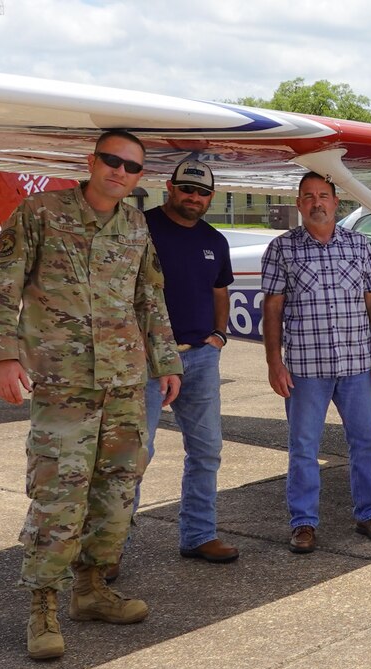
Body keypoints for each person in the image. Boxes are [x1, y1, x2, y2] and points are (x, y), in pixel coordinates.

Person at [0, 130, 183, 660]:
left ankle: (91, 590)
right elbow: (4, 283)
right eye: (112, 160)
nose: (120, 171)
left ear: (140, 177)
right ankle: (43, 606)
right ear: (91, 161)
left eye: (132, 167)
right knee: (58, 494)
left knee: (116, 492)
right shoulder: (41, 213)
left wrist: (167, 364)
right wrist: (2, 354)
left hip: (124, 383)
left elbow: (149, 298)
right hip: (63, 383)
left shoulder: (136, 225)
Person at [261, 171, 371, 554]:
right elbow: (272, 308)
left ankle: (369, 513)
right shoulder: (281, 249)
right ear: (299, 204)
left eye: (323, 195)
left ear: (337, 203)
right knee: (303, 447)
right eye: (308, 196)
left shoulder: (359, 245)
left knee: (366, 444)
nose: (316, 202)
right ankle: (303, 523)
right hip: (305, 368)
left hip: (357, 365)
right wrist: (274, 361)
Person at [125, 159, 238, 574]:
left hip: (201, 356)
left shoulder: (215, 240)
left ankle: (199, 535)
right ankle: (112, 549)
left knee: (207, 450)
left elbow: (219, 291)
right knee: (135, 452)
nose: (194, 198)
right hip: (149, 358)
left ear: (211, 198)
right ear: (170, 188)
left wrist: (219, 335)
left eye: (202, 192)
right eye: (186, 189)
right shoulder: (139, 226)